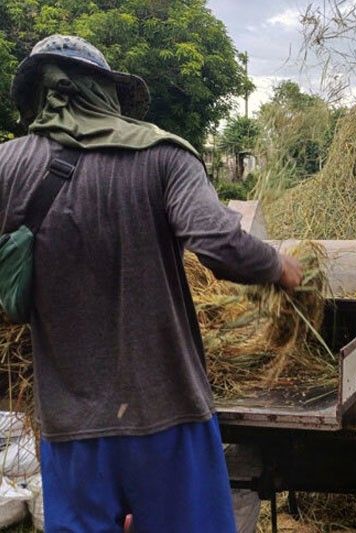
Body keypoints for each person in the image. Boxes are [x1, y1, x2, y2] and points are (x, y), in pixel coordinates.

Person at [0, 35, 302, 531]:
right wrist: (279, 266)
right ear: (106, 91)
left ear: (38, 92)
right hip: (169, 415)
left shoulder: (8, 167)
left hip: (70, 427)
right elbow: (218, 243)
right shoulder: (163, 155)